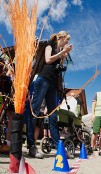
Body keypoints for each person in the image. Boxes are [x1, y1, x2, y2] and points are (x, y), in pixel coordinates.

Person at [27, 31, 73, 159]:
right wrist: (60, 52)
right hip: (43, 80)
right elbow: (48, 60)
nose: (67, 42)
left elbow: (60, 64)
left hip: (53, 84)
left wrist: (64, 54)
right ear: (61, 38)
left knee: (53, 115)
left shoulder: (59, 50)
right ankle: (31, 145)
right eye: (66, 40)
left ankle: (58, 147)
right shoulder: (50, 45)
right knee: (35, 111)